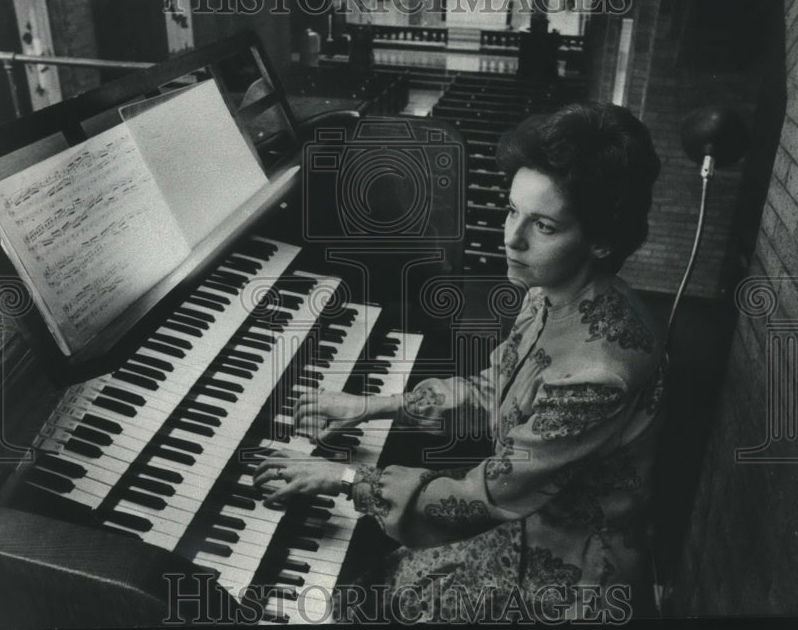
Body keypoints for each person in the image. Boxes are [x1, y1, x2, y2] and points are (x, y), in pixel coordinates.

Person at [255, 102, 665, 622]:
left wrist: (343, 478)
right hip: (530, 507)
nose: (510, 238)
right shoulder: (556, 291)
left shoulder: (596, 371)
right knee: (370, 578)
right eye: (512, 211)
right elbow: (493, 389)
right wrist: (371, 405)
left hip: (571, 562)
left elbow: (483, 497)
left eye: (544, 225)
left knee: (361, 605)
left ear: (602, 241)